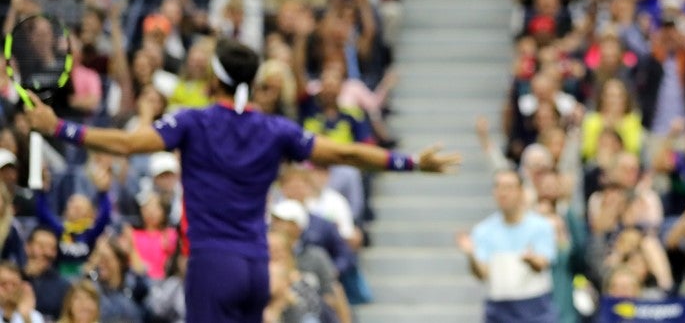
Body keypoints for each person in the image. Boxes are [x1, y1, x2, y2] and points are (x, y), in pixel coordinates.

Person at [24, 38, 460, 323]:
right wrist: (411, 162)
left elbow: (125, 143)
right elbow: (345, 152)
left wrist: (59, 127)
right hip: (257, 270)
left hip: (213, 266)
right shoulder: (275, 129)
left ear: (214, 78)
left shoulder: (193, 122)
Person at [455, 169, 558, 323]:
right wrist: (471, 254)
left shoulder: (541, 226)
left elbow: (543, 262)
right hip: (499, 310)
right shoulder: (483, 230)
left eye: (509, 187)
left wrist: (531, 260)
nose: (503, 193)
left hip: (535, 307)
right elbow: (482, 273)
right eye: (498, 187)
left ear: (521, 191)